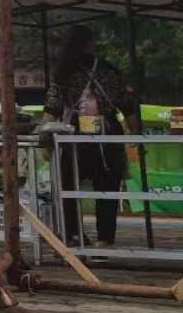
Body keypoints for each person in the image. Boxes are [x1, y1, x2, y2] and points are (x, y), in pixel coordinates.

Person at [38, 25, 139, 248]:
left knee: (67, 185)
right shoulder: (110, 70)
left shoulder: (63, 72)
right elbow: (127, 106)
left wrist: (45, 141)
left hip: (75, 136)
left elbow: (51, 109)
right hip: (108, 132)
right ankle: (105, 238)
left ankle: (74, 235)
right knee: (107, 187)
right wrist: (136, 135)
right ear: (89, 45)